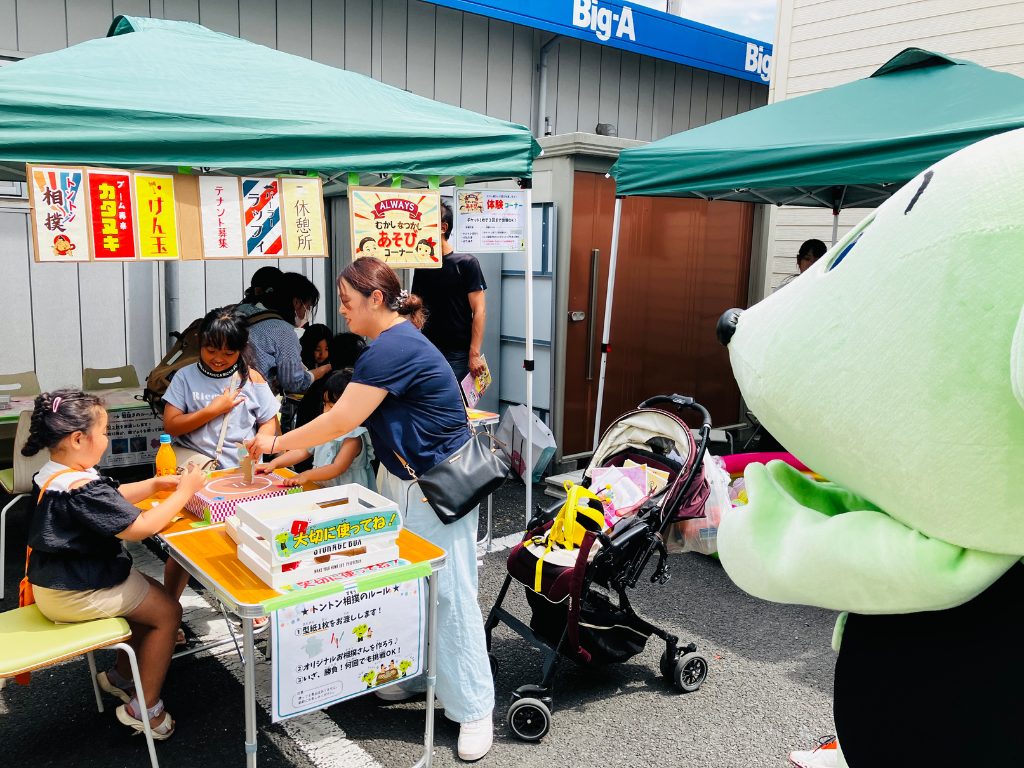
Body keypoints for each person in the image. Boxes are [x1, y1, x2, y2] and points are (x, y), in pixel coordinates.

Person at [246, 257, 494, 762]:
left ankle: (473, 706)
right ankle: (425, 675)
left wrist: (272, 444)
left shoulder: (392, 348)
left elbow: (340, 422)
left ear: (376, 299)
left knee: (451, 595)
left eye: (346, 301)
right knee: (415, 587)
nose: (342, 311)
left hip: (434, 488)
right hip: (408, 482)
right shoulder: (391, 344)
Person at [23, 388, 206, 739]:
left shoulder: (55, 474)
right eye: (104, 432)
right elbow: (141, 528)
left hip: (57, 581)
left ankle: (121, 676)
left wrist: (154, 484)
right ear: (78, 438)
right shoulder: (80, 487)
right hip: (78, 590)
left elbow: (111, 496)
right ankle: (145, 709)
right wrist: (185, 491)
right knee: (168, 613)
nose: (106, 440)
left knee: (150, 596)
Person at [161, 307, 280, 609]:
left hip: (241, 478)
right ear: (200, 343)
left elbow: (270, 421)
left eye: (228, 353)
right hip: (195, 476)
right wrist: (212, 411)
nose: (218, 358)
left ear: (241, 351)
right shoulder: (185, 377)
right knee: (185, 547)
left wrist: (262, 440)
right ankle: (169, 607)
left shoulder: (252, 379)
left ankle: (252, 604)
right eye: (211, 350)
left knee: (250, 542)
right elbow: (171, 425)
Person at [256, 369, 375, 491]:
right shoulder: (324, 431)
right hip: (324, 491)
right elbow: (302, 451)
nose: (327, 412)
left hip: (350, 497)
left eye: (333, 408)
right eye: (325, 405)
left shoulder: (354, 438)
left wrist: (306, 475)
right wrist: (275, 464)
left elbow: (338, 467)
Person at [411, 201, 487, 381]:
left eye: (426, 224)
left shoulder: (467, 263)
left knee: (457, 404)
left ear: (443, 227)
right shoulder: (423, 266)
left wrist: (474, 354)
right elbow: (416, 307)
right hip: (428, 348)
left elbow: (480, 311)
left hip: (458, 353)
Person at [248, 271, 331, 393]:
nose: (307, 312)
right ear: (297, 302)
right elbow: (293, 383)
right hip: (252, 400)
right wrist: (324, 370)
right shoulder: (283, 331)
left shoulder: (241, 311)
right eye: (308, 307)